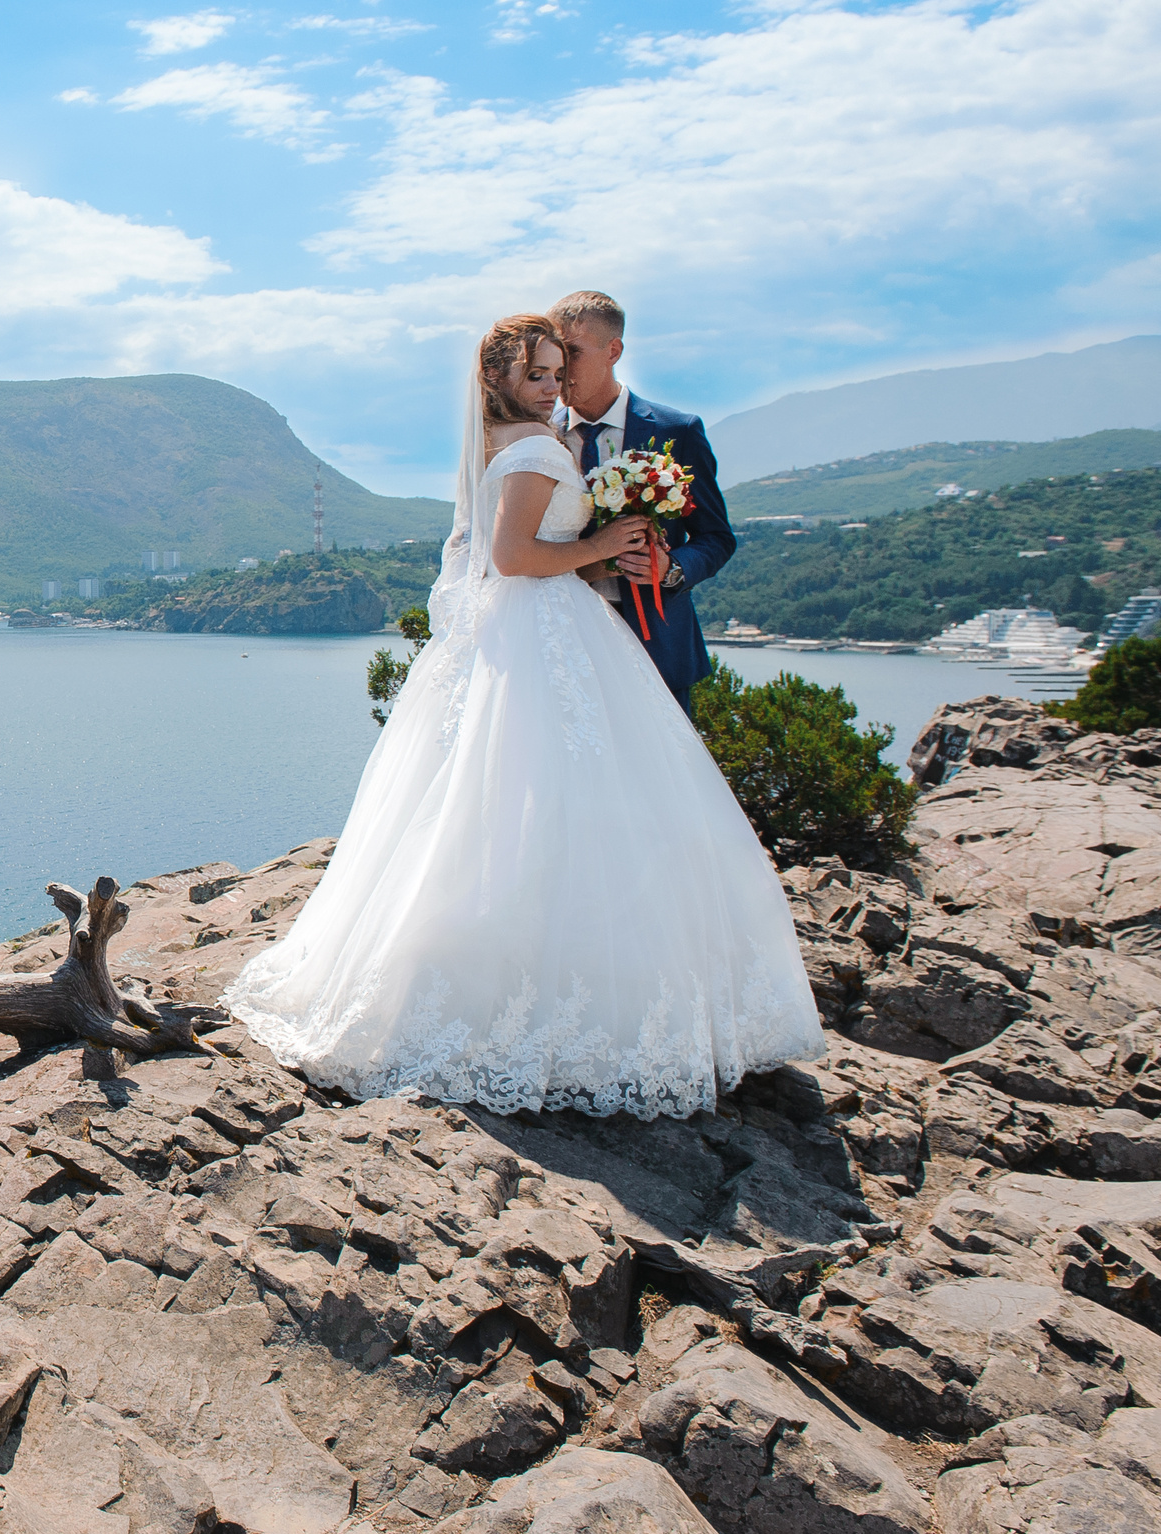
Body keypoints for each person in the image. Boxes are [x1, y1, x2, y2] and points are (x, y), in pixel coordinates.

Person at [223, 314, 823, 1119]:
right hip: (548, 627)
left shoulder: (516, 438)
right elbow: (510, 557)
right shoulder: (540, 445)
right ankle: (566, 990)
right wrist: (602, 545)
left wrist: (639, 552)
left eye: (557, 369)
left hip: (548, 629)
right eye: (538, 371)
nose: (552, 383)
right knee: (565, 800)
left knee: (517, 801)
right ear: (500, 377)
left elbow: (677, 537)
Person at [547, 290, 736, 716]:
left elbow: (716, 538)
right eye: (555, 354)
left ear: (613, 351)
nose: (560, 370)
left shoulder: (677, 431)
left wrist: (672, 569)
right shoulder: (539, 436)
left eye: (572, 353)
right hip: (563, 640)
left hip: (658, 645)